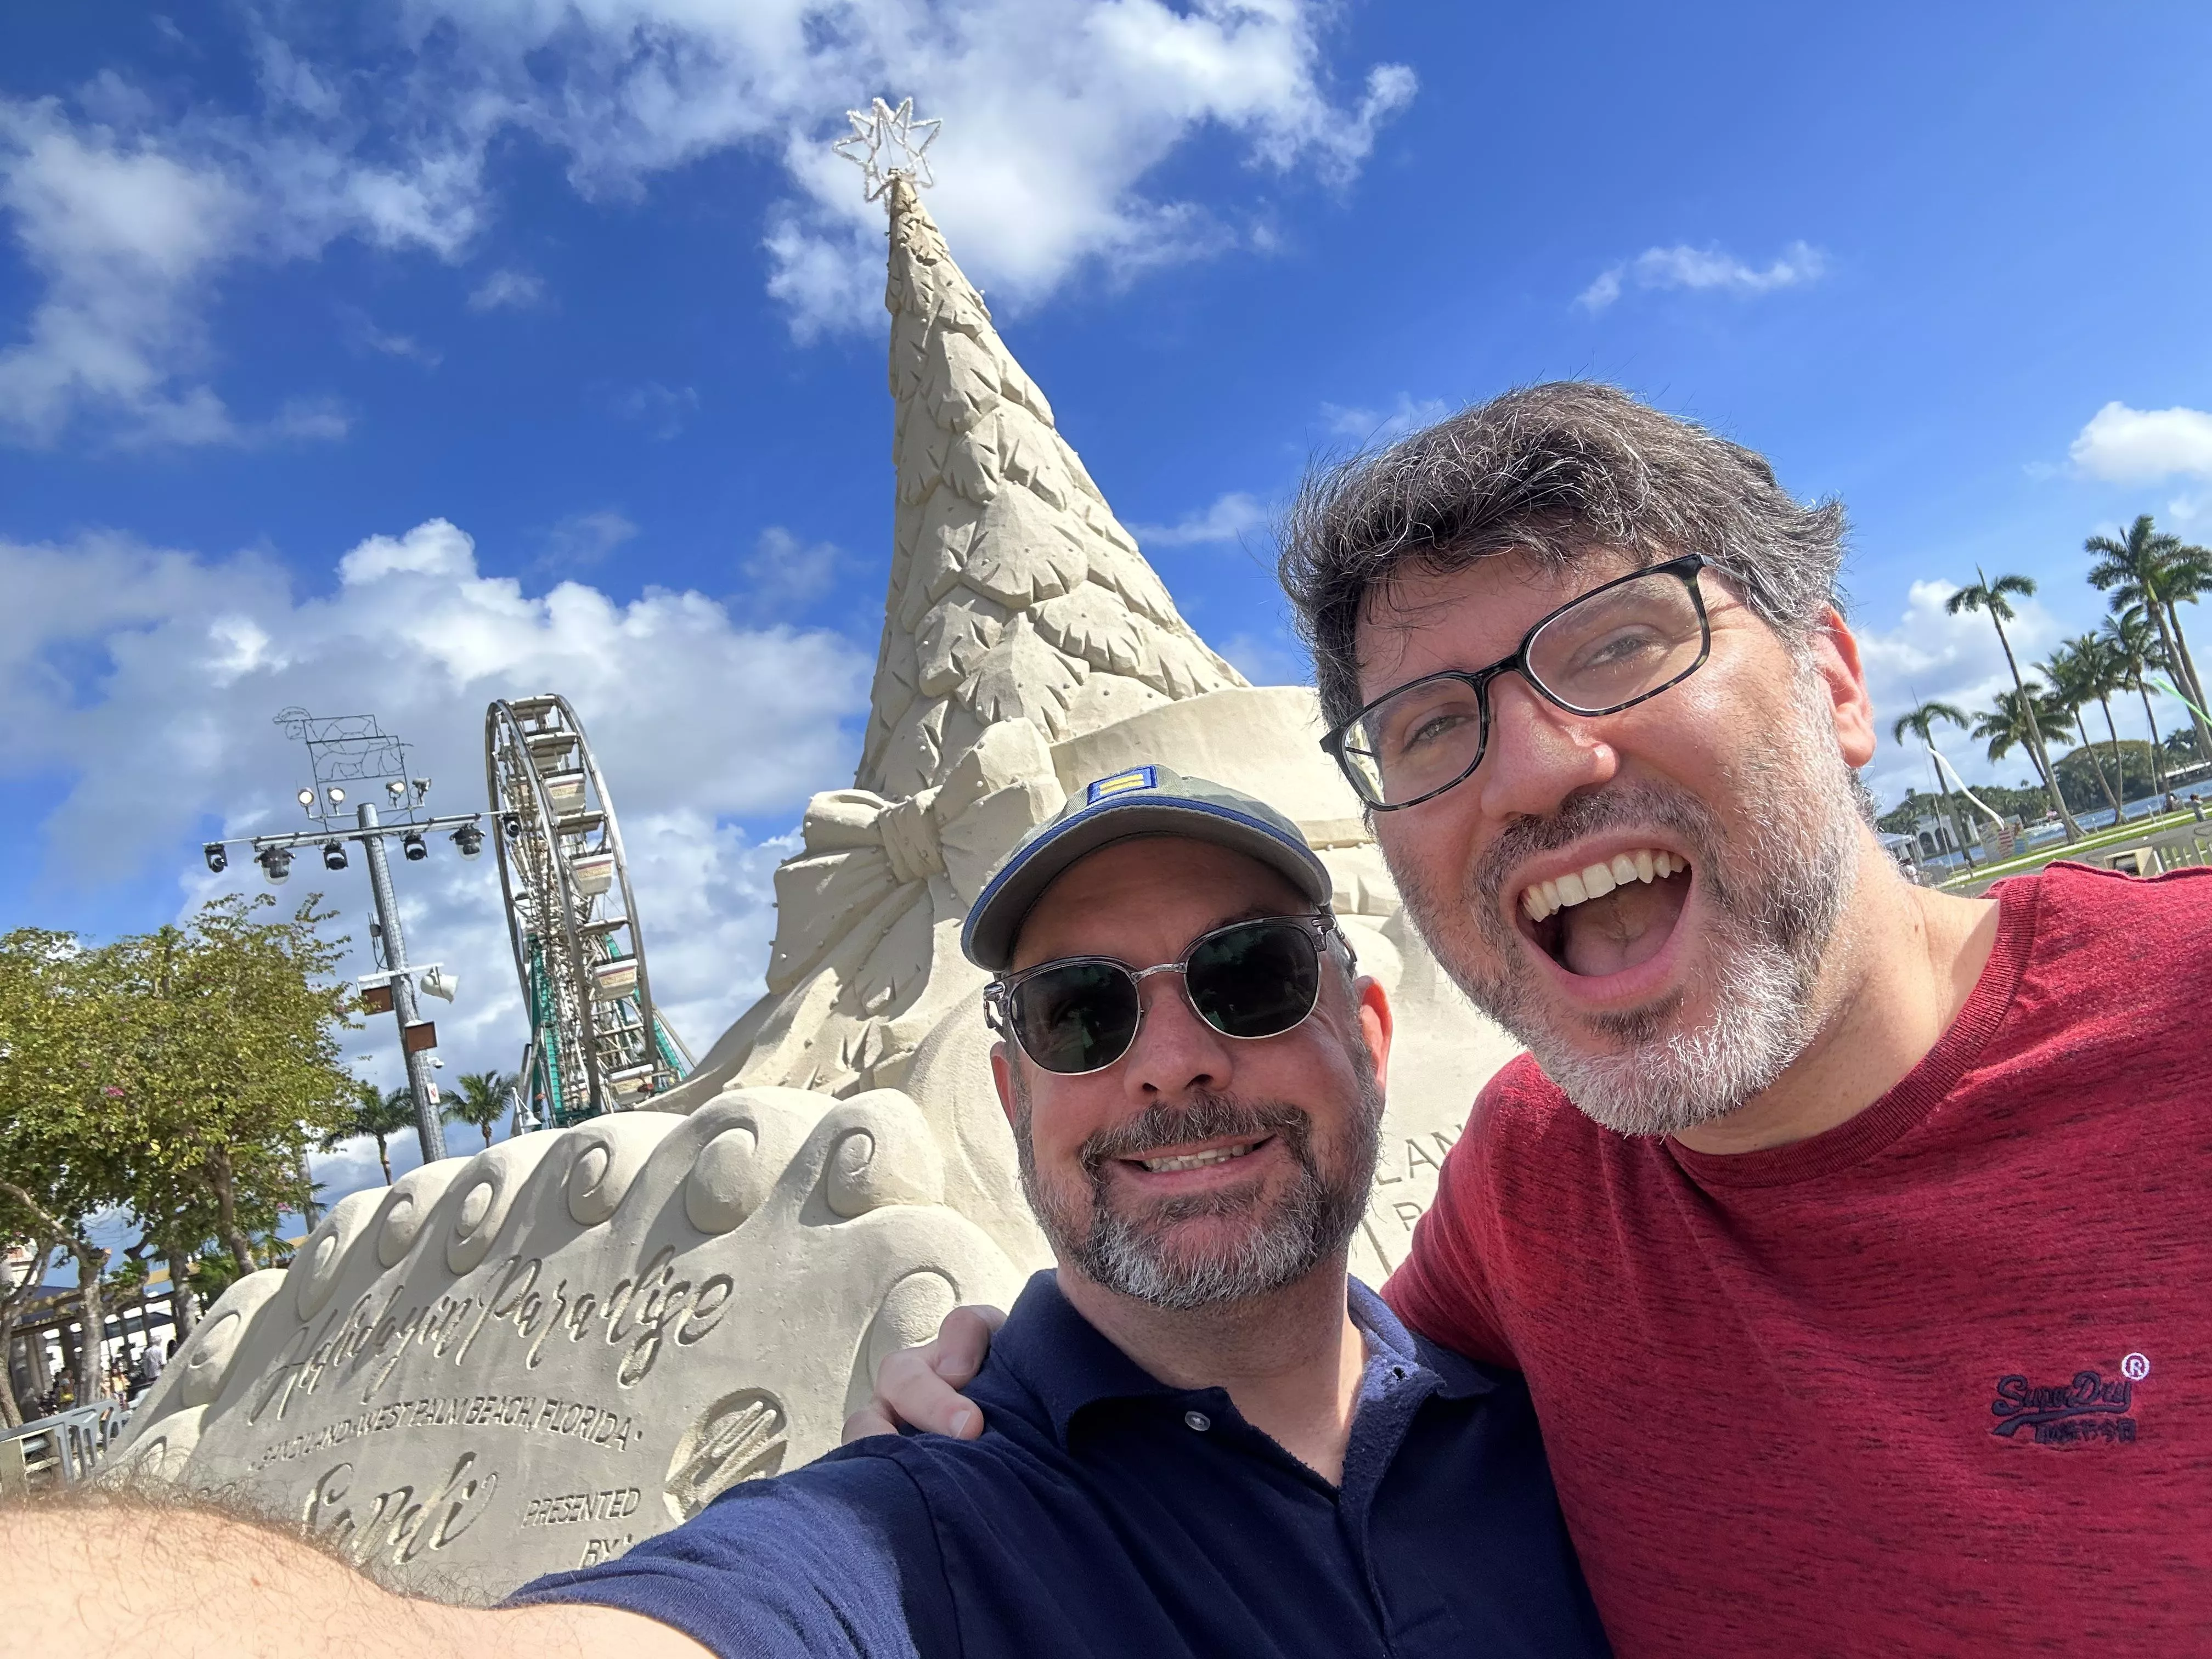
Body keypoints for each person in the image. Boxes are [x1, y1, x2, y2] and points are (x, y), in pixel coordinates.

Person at [860, 383, 2212, 1656]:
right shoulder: (1537, 1184)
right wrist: (1017, 1381)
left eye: (1619, 644)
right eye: (1428, 726)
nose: (1532, 772)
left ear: (1837, 682)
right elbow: (1311, 1377)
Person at [4, 768, 1608, 1659]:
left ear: (1368, 1034)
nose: (1170, 1063)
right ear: (1011, 1095)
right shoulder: (925, 1533)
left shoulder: (1563, 1404)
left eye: (1245, 978)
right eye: (1081, 1014)